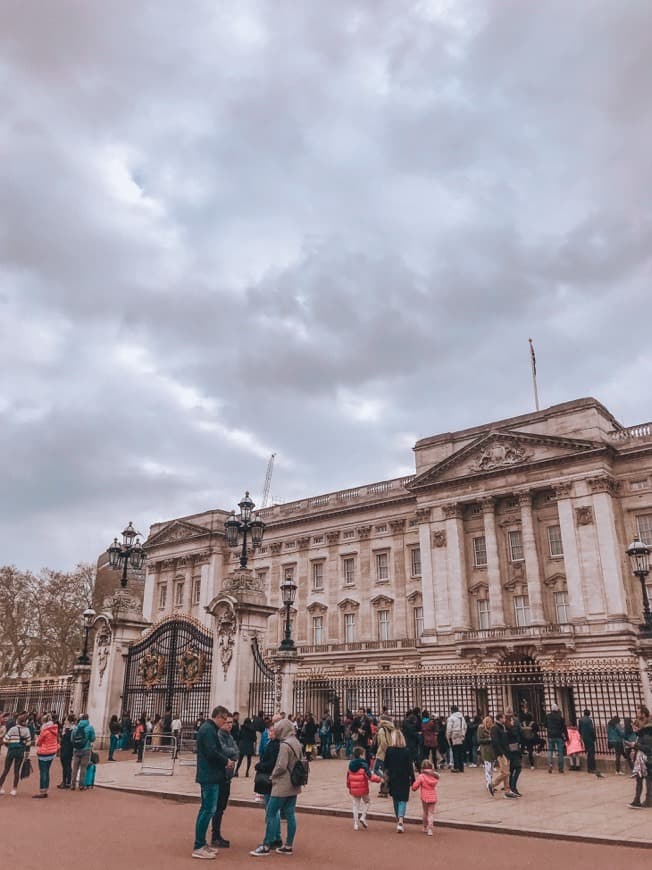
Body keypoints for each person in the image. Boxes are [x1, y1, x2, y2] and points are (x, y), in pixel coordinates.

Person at [250, 717, 304, 856]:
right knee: (290, 814)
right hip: (294, 784)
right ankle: (288, 845)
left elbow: (281, 766)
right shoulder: (297, 742)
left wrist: (272, 775)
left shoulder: (285, 745)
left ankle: (266, 845)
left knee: (271, 813)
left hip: (282, 784)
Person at [192, 705, 232, 860]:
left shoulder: (209, 728)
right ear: (219, 716)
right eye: (224, 719)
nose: (225, 723)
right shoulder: (208, 729)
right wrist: (225, 761)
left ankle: (201, 843)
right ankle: (198, 846)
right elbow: (211, 752)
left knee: (207, 809)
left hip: (210, 774)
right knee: (208, 809)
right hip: (209, 775)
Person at [211, 712, 239, 849]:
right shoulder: (218, 735)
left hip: (228, 775)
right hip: (220, 774)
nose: (230, 725)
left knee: (222, 807)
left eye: (231, 722)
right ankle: (214, 835)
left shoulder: (230, 736)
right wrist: (232, 752)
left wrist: (232, 752)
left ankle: (217, 835)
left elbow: (237, 752)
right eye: (227, 722)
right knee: (217, 807)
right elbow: (223, 750)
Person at [384, 729, 414, 833]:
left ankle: (398, 819)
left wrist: (385, 778)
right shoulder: (406, 751)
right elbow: (410, 766)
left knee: (396, 799)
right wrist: (413, 779)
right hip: (404, 777)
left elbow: (385, 766)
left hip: (393, 777)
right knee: (403, 800)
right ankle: (401, 819)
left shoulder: (389, 750)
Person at [346, 746, 381, 830]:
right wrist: (380, 779)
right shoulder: (364, 765)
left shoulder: (351, 765)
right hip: (363, 788)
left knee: (355, 805)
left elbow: (348, 778)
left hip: (354, 788)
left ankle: (355, 824)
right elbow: (370, 777)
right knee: (367, 802)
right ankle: (363, 816)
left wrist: (349, 787)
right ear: (361, 755)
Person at [0, 712, 31, 796]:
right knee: (16, 771)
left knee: (6, 770)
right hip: (20, 752)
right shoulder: (27, 730)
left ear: (17, 721)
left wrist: (9, 745)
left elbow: (5, 740)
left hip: (11, 751)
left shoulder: (13, 729)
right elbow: (28, 743)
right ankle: (14, 789)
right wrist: (27, 754)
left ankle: (0, 787)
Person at [33, 712, 59, 799]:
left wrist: (37, 740)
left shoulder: (45, 731)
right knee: (47, 771)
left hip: (44, 752)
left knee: (43, 772)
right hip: (52, 752)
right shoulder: (54, 729)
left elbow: (39, 742)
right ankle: (46, 789)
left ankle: (42, 791)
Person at [490, 713, 516, 799]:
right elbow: (495, 742)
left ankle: (507, 791)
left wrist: (510, 726)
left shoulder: (502, 727)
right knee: (506, 772)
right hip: (501, 753)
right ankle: (492, 784)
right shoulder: (494, 728)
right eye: (504, 718)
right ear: (500, 718)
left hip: (506, 752)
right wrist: (500, 753)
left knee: (505, 772)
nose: (505, 719)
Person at [411, 758, 439, 836]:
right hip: (433, 796)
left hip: (424, 797)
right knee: (431, 813)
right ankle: (430, 829)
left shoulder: (421, 776)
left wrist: (413, 788)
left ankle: (425, 826)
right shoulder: (434, 776)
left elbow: (415, 786)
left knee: (425, 812)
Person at [629, 718, 652, 809]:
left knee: (646, 781)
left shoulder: (646, 737)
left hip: (646, 762)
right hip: (643, 762)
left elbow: (647, 749)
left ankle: (644, 800)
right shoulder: (643, 736)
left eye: (635, 728)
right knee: (645, 781)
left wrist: (636, 745)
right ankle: (639, 800)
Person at [70, 713, 96, 791]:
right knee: (83, 768)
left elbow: (72, 739)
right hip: (86, 749)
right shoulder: (90, 727)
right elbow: (93, 739)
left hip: (76, 749)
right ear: (88, 719)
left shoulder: (76, 728)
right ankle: (81, 785)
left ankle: (72, 784)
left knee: (75, 768)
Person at [373, 713, 395, 797]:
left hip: (382, 753)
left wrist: (384, 751)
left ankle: (385, 781)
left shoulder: (382, 729)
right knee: (385, 770)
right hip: (389, 752)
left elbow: (383, 743)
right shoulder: (390, 728)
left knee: (375, 769)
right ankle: (385, 786)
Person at [545, 704, 568, 773]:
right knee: (560, 752)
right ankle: (560, 768)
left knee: (550, 751)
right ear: (557, 709)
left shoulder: (548, 716)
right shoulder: (560, 717)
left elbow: (545, 725)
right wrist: (566, 737)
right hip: (559, 736)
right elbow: (564, 728)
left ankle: (550, 765)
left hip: (551, 736)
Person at [578, 709, 600, 776]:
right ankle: (591, 767)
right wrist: (594, 737)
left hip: (584, 737)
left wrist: (582, 735)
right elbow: (591, 729)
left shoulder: (580, 720)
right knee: (591, 753)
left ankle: (590, 767)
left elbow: (579, 729)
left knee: (588, 752)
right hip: (590, 738)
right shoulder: (589, 720)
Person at [477, 715, 496, 796]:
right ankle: (489, 784)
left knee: (491, 768)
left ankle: (491, 783)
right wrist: (489, 739)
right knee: (488, 768)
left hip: (492, 751)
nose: (490, 724)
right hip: (485, 750)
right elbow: (479, 740)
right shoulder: (481, 728)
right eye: (488, 722)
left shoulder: (492, 729)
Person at [505, 714, 523, 796]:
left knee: (512, 770)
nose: (513, 722)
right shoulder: (509, 730)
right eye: (512, 721)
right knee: (517, 768)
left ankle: (511, 786)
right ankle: (513, 787)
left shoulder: (507, 729)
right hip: (513, 750)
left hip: (510, 751)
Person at [446, 706, 467, 773]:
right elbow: (465, 727)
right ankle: (461, 767)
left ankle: (456, 767)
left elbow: (449, 728)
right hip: (461, 736)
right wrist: (463, 734)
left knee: (455, 752)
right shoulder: (462, 718)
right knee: (461, 752)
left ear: (451, 711)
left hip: (454, 736)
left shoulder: (451, 718)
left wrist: (448, 736)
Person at [58, 714, 75, 788]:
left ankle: (65, 782)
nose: (65, 721)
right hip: (69, 749)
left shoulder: (69, 729)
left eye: (66, 720)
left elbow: (67, 739)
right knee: (68, 765)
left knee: (65, 766)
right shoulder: (72, 728)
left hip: (66, 749)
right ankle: (68, 781)